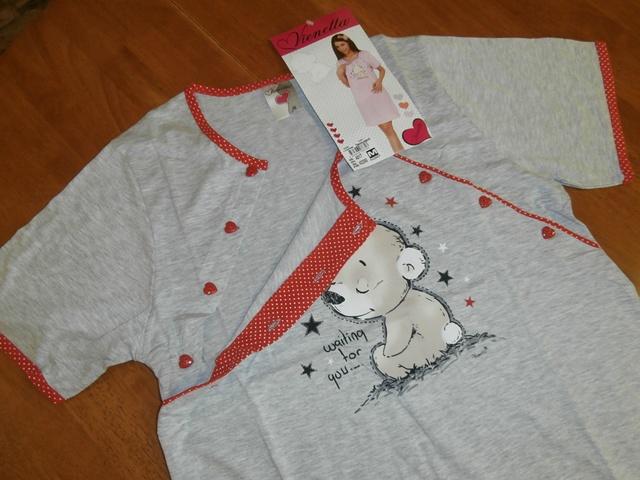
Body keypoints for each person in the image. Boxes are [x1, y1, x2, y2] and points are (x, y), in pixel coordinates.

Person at [333, 33, 403, 153]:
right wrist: (339, 73)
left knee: (388, 128)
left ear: (348, 42)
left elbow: (381, 70)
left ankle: (401, 153)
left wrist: (379, 81)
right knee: (387, 130)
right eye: (338, 47)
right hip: (363, 100)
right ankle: (402, 153)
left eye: (342, 44)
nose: (341, 48)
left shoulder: (363, 55)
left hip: (377, 94)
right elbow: (349, 85)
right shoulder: (340, 63)